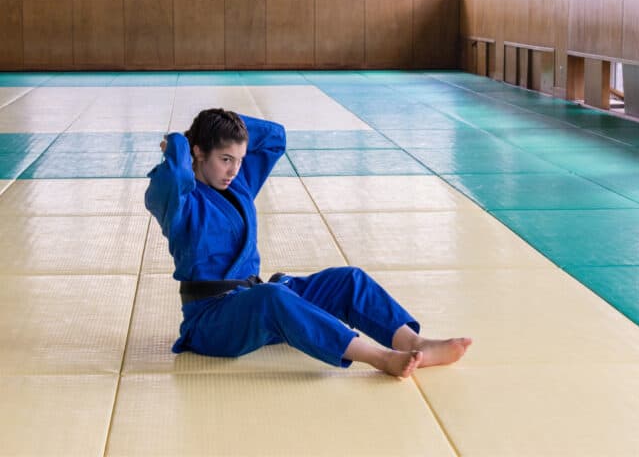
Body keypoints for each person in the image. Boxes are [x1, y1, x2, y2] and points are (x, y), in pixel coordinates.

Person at [145, 108, 471, 377]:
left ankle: (412, 342)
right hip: (212, 322)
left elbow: (275, 137)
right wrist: (180, 140)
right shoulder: (180, 203)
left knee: (348, 279)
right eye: (225, 159)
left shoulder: (239, 184)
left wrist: (226, 128)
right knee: (272, 296)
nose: (234, 170)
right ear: (197, 152)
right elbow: (172, 176)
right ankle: (380, 357)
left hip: (254, 302)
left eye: (240, 159)